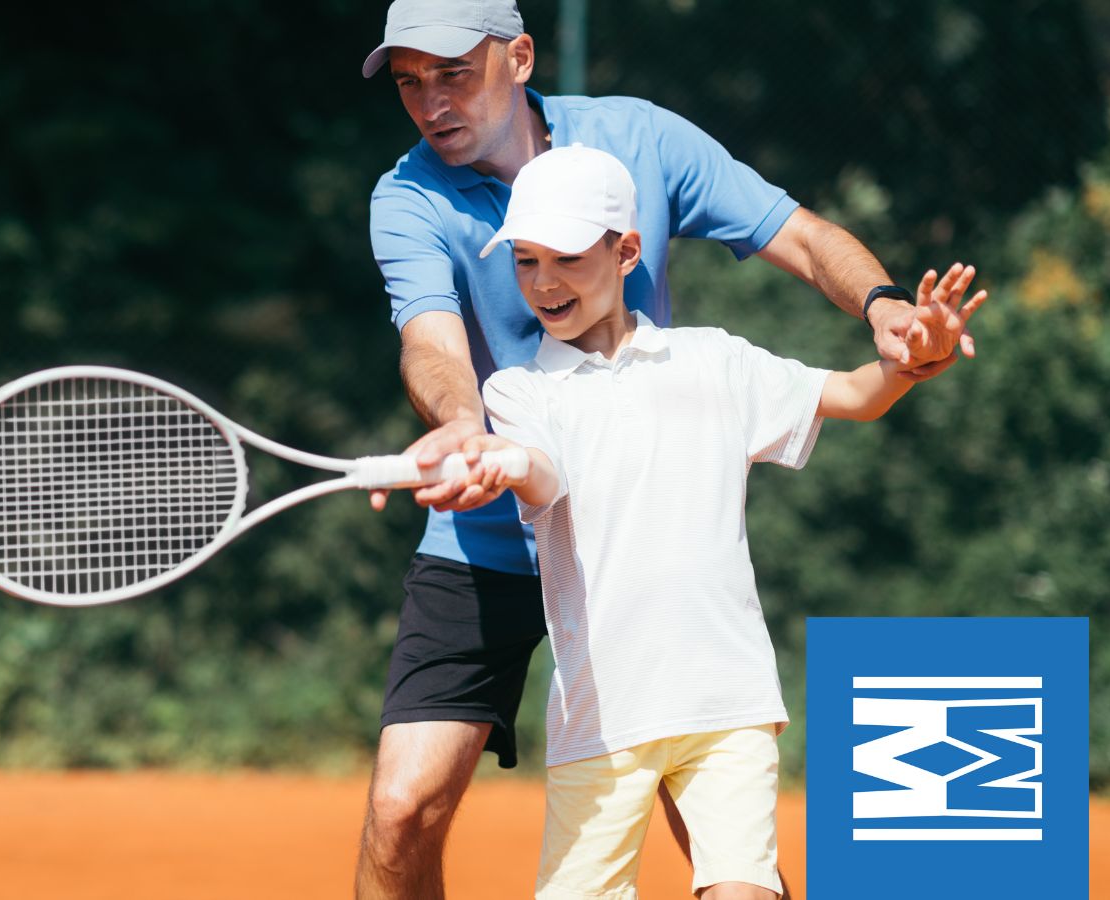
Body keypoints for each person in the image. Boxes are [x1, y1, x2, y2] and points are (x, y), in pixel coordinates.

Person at [356, 2, 976, 896]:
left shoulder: (640, 140)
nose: (431, 103)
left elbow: (797, 234)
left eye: (453, 72)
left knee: (724, 847)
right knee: (400, 809)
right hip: (488, 525)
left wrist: (887, 312)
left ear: (520, 57)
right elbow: (432, 342)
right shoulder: (408, 194)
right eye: (410, 82)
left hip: (632, 546)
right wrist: (463, 426)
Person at [467, 144, 983, 899]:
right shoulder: (518, 393)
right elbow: (540, 474)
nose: (543, 282)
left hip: (727, 700)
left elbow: (853, 393)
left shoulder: (715, 361)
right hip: (602, 720)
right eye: (525, 260)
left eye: (568, 258)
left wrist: (913, 358)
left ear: (627, 250)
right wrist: (506, 465)